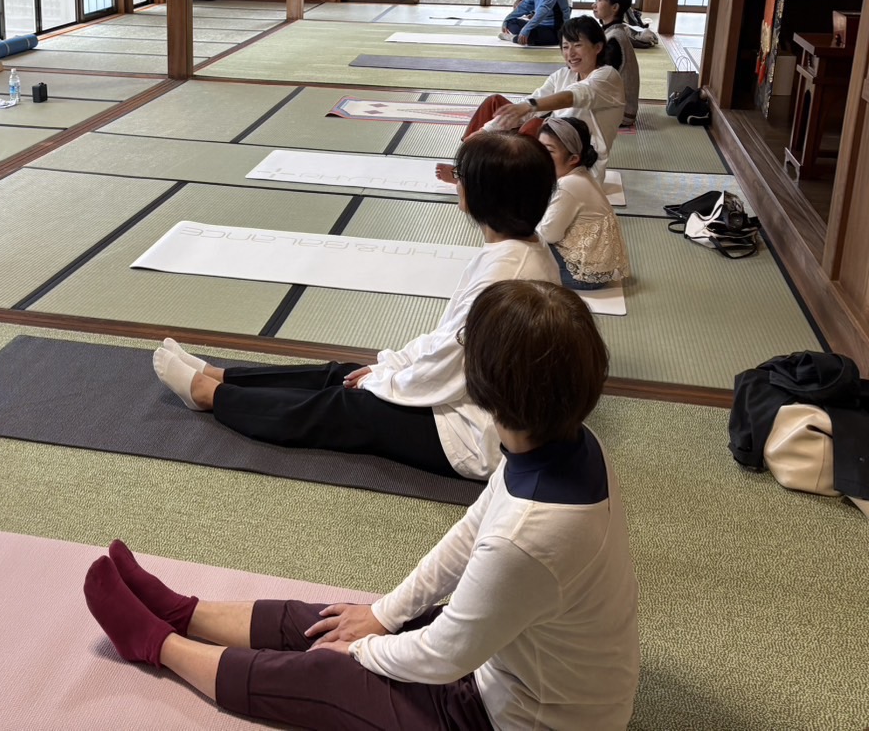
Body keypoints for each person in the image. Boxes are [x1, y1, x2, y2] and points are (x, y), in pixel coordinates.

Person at [86, 279, 641, 731]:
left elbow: (446, 656)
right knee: (340, 619)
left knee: (330, 671)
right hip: (520, 669)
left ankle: (157, 644)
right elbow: (471, 532)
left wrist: (361, 654)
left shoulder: (528, 535)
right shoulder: (570, 443)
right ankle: (184, 612)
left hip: (516, 719)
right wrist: (382, 615)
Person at [152, 132, 558, 482]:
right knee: (343, 374)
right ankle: (223, 375)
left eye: (461, 177)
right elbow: (444, 342)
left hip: (480, 432)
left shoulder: (504, 275)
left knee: (347, 406)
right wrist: (388, 367)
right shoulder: (516, 251)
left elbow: (449, 368)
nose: (456, 184)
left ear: (484, 195)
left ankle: (211, 396)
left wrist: (384, 381)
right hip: (469, 396)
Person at [442, 17, 625, 185]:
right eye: (566, 46)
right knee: (496, 103)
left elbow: (575, 95)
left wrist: (529, 107)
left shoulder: (607, 76)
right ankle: (466, 165)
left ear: (598, 47)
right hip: (554, 144)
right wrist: (484, 131)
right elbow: (530, 104)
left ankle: (478, 177)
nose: (571, 53)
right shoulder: (563, 74)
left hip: (578, 159)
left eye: (577, 45)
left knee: (536, 126)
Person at [537, 117, 631, 292]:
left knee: (521, 241)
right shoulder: (580, 175)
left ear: (573, 158)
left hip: (582, 277)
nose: (539, 156)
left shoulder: (569, 185)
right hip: (594, 269)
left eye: (549, 151)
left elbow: (548, 235)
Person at [592, 0, 639, 128]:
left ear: (614, 7)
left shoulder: (614, 39)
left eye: (600, 0)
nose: (594, 5)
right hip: (617, 106)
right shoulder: (612, 32)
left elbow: (601, 78)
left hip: (620, 112)